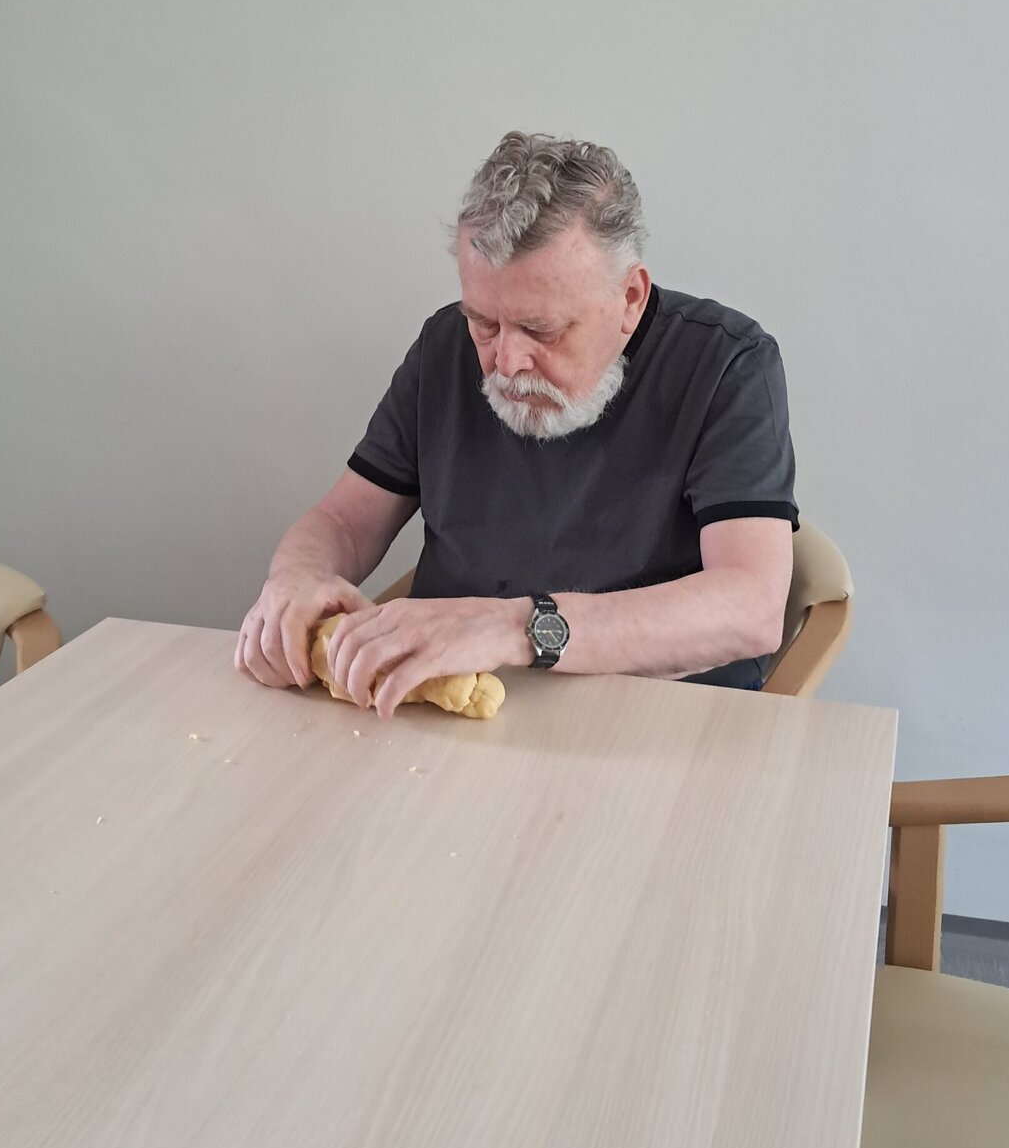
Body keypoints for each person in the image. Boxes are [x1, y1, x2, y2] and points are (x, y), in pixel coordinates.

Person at [235, 131, 798, 718]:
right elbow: (344, 523)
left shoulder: (728, 364)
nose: (505, 363)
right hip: (454, 719)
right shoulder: (443, 346)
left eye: (541, 330)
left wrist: (518, 628)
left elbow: (750, 607)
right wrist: (297, 576)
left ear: (630, 298)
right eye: (483, 322)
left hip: (659, 721)